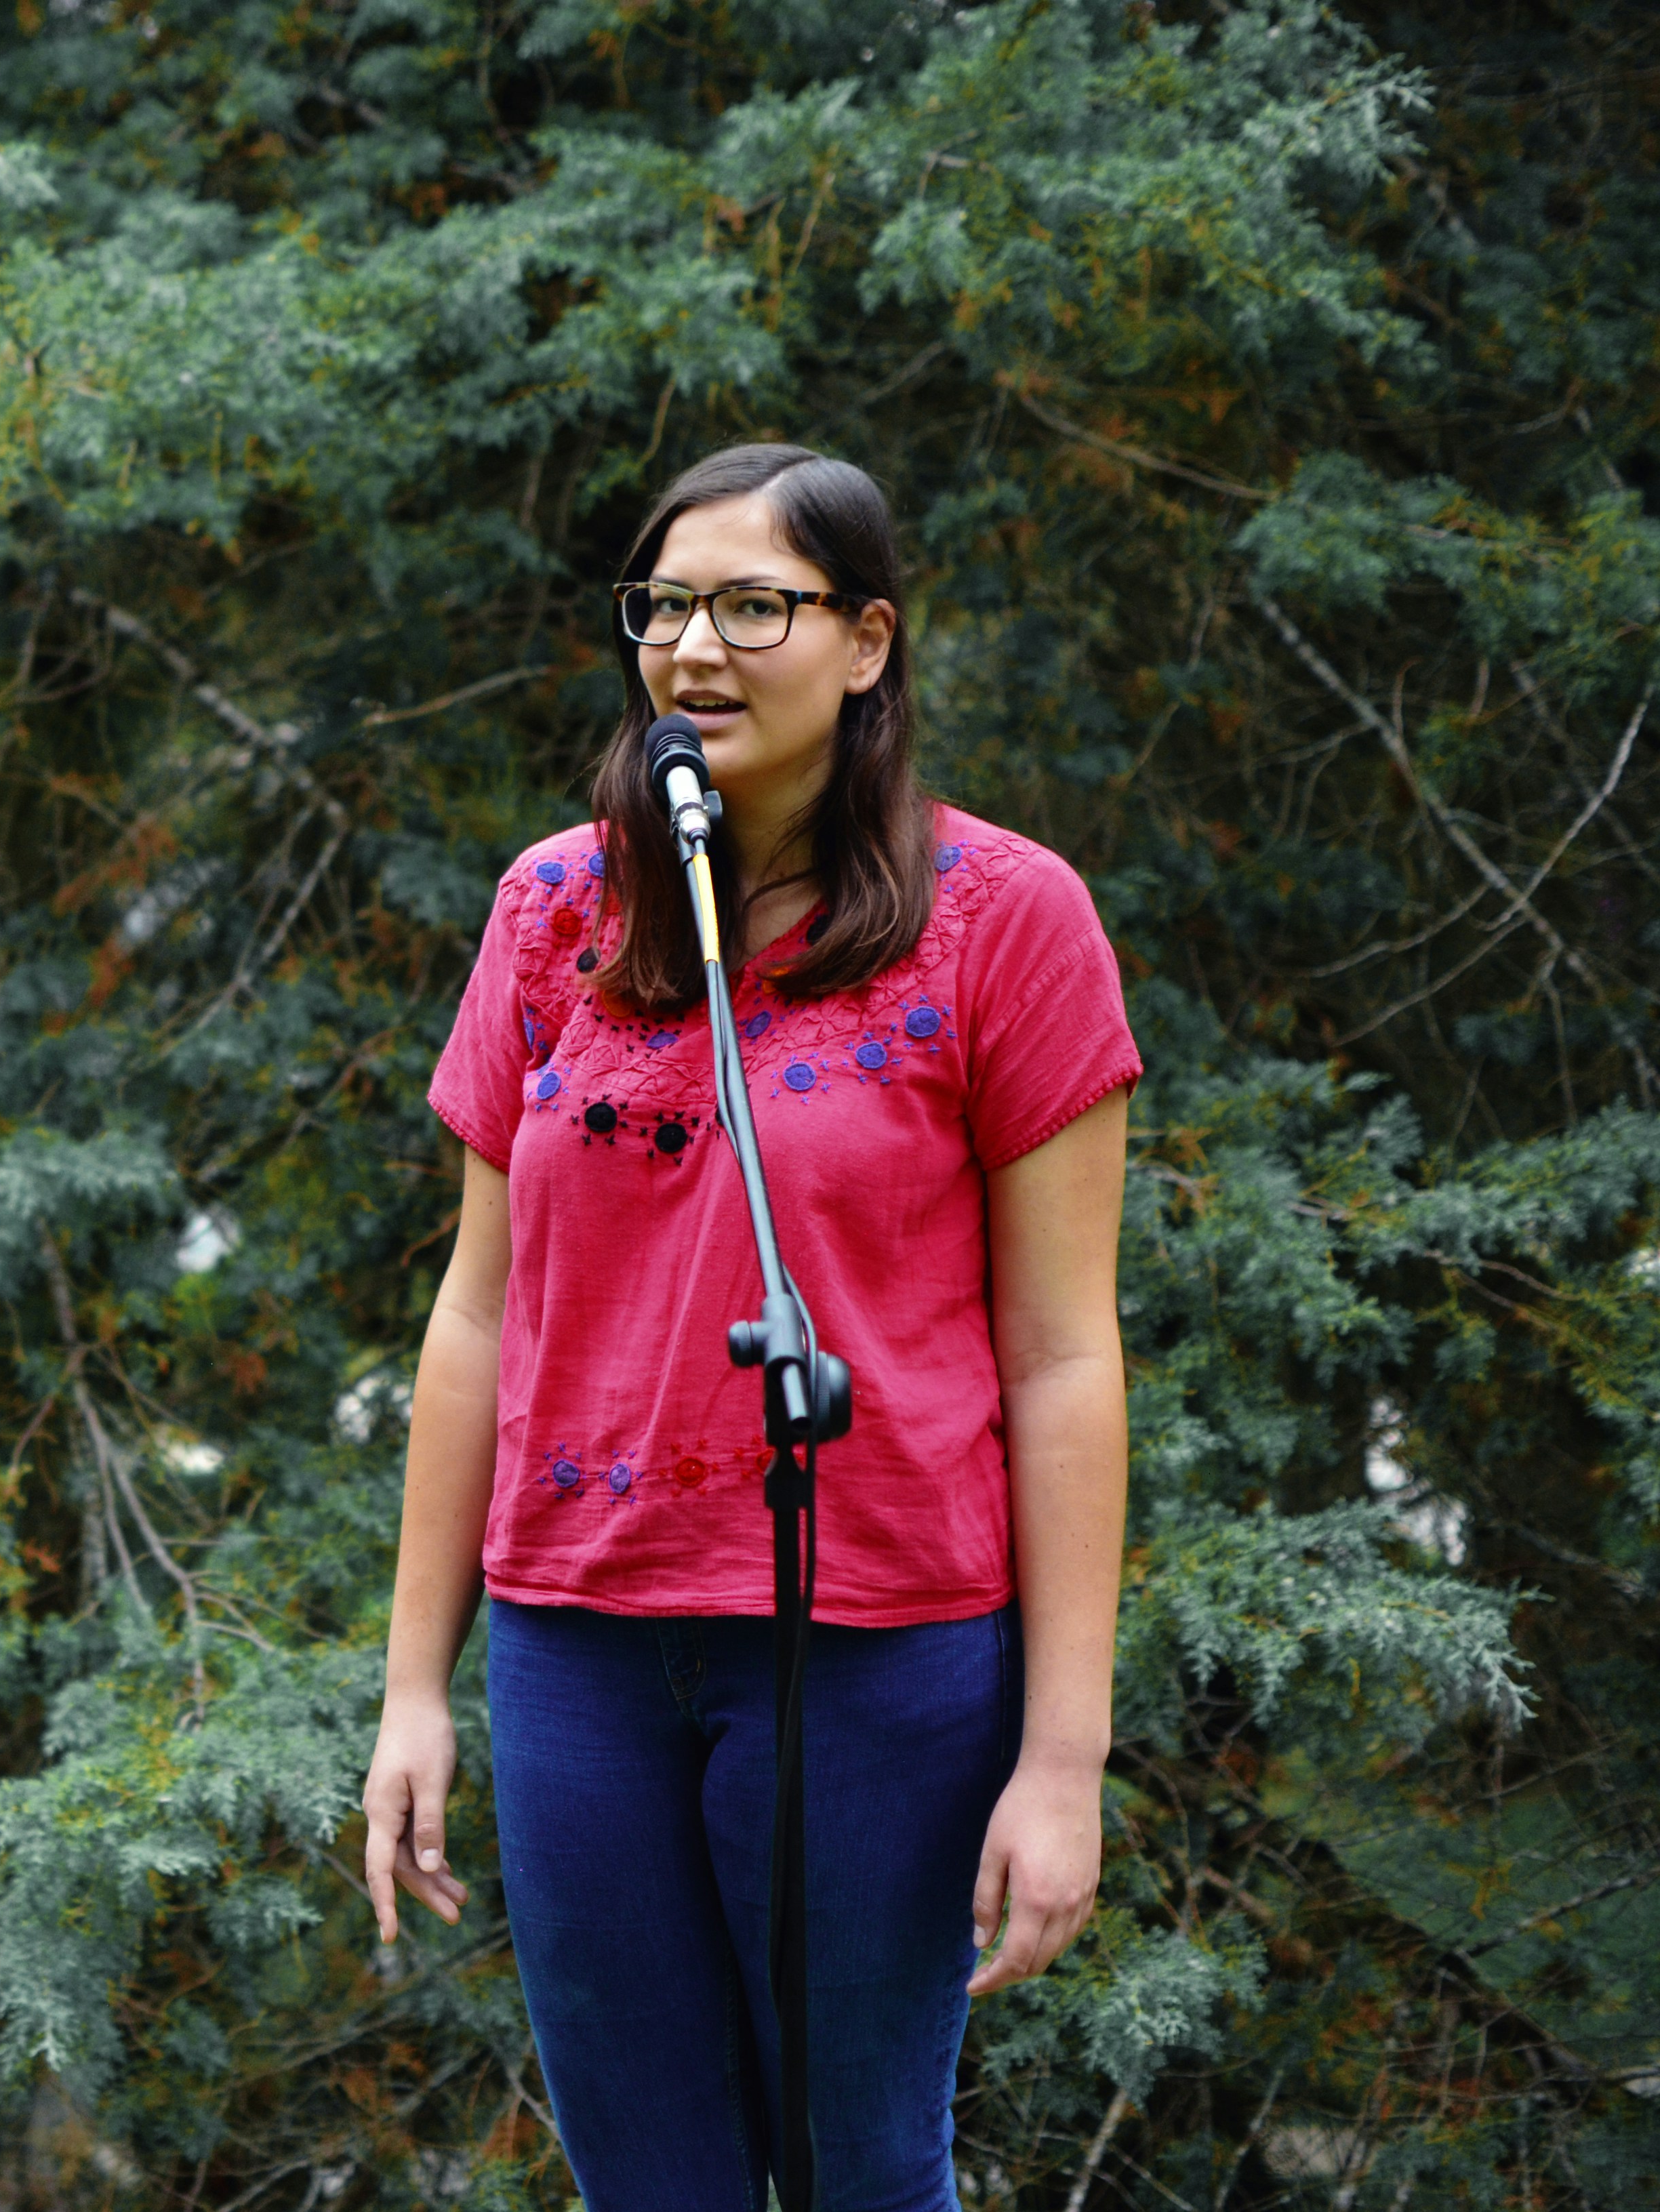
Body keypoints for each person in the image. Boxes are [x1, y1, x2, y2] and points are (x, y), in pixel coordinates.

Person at [360, 442, 1139, 2210]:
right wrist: (415, 1684)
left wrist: (1063, 1760)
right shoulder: (556, 904)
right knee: (650, 2183)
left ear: (868, 642)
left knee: (864, 2170)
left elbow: (1065, 1356)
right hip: (576, 1638)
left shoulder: (1007, 920)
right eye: (665, 607)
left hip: (876, 1645)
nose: (696, 650)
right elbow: (474, 1316)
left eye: (753, 608)